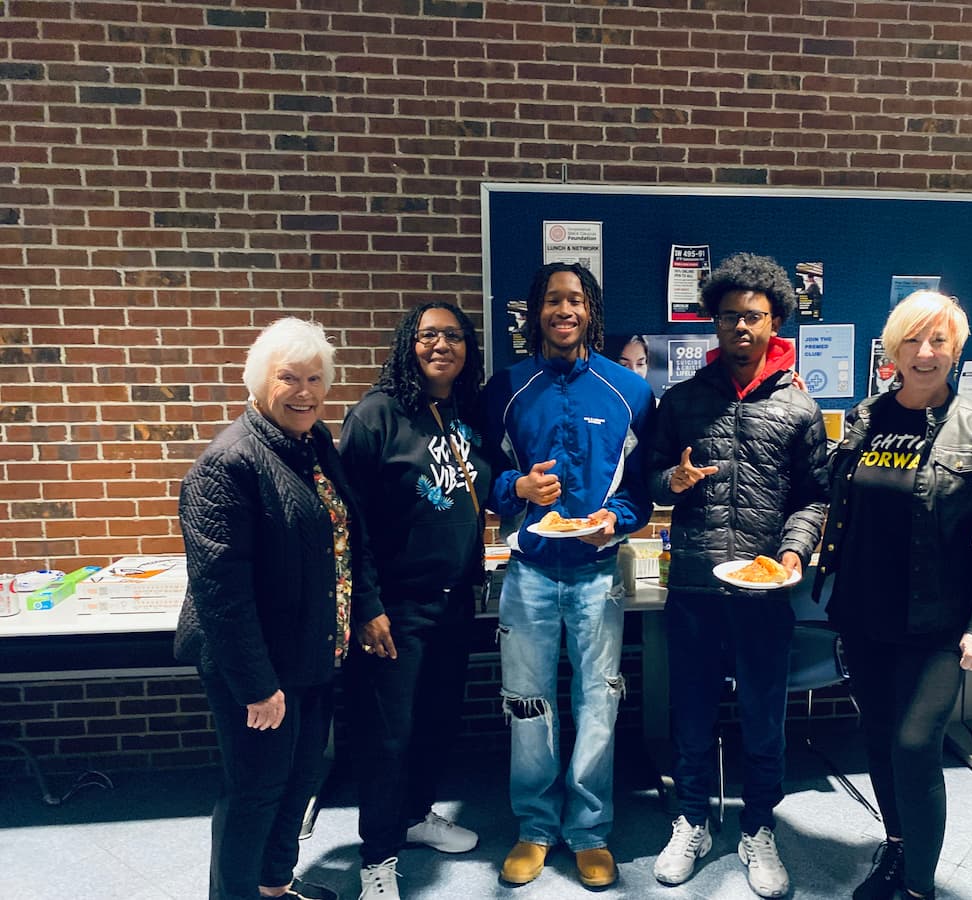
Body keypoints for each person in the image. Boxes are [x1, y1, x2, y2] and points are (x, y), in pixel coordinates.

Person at [814, 291, 972, 900]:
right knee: (879, 739)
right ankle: (898, 851)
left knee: (913, 744)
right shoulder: (864, 420)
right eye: (912, 340)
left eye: (938, 341)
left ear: (956, 349)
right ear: (893, 349)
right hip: (863, 613)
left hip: (937, 622)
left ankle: (919, 888)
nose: (924, 353)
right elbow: (840, 505)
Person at [175, 317, 384, 900]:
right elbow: (221, 591)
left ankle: (273, 886)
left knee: (299, 780)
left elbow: (347, 540)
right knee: (255, 791)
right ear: (257, 382)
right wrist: (256, 686)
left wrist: (362, 607)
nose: (305, 391)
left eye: (315, 378)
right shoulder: (230, 464)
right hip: (260, 668)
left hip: (314, 651)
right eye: (288, 378)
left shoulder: (314, 444)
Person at [647, 252, 830, 899]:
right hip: (695, 588)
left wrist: (793, 554)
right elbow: (647, 476)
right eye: (729, 317)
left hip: (765, 593)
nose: (740, 328)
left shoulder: (800, 409)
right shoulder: (683, 401)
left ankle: (758, 827)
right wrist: (670, 480)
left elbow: (815, 495)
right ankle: (692, 820)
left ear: (773, 319)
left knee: (763, 720)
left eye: (752, 317)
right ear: (714, 323)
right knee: (691, 717)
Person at [482, 261, 655, 890]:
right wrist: (516, 485)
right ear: (536, 312)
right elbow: (479, 477)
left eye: (575, 300)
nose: (564, 310)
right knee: (529, 704)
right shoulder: (504, 389)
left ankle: (589, 831)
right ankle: (533, 826)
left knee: (598, 703)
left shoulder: (627, 392)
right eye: (553, 300)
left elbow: (642, 489)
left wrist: (621, 519)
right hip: (528, 569)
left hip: (597, 572)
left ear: (590, 312)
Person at [339, 302, 493, 900]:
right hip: (394, 609)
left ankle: (415, 816)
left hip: (455, 603)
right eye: (428, 336)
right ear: (409, 344)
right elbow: (349, 525)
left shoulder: (466, 414)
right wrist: (367, 605)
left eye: (453, 336)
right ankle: (376, 859)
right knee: (388, 738)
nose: (440, 346)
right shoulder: (375, 416)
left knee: (434, 724)